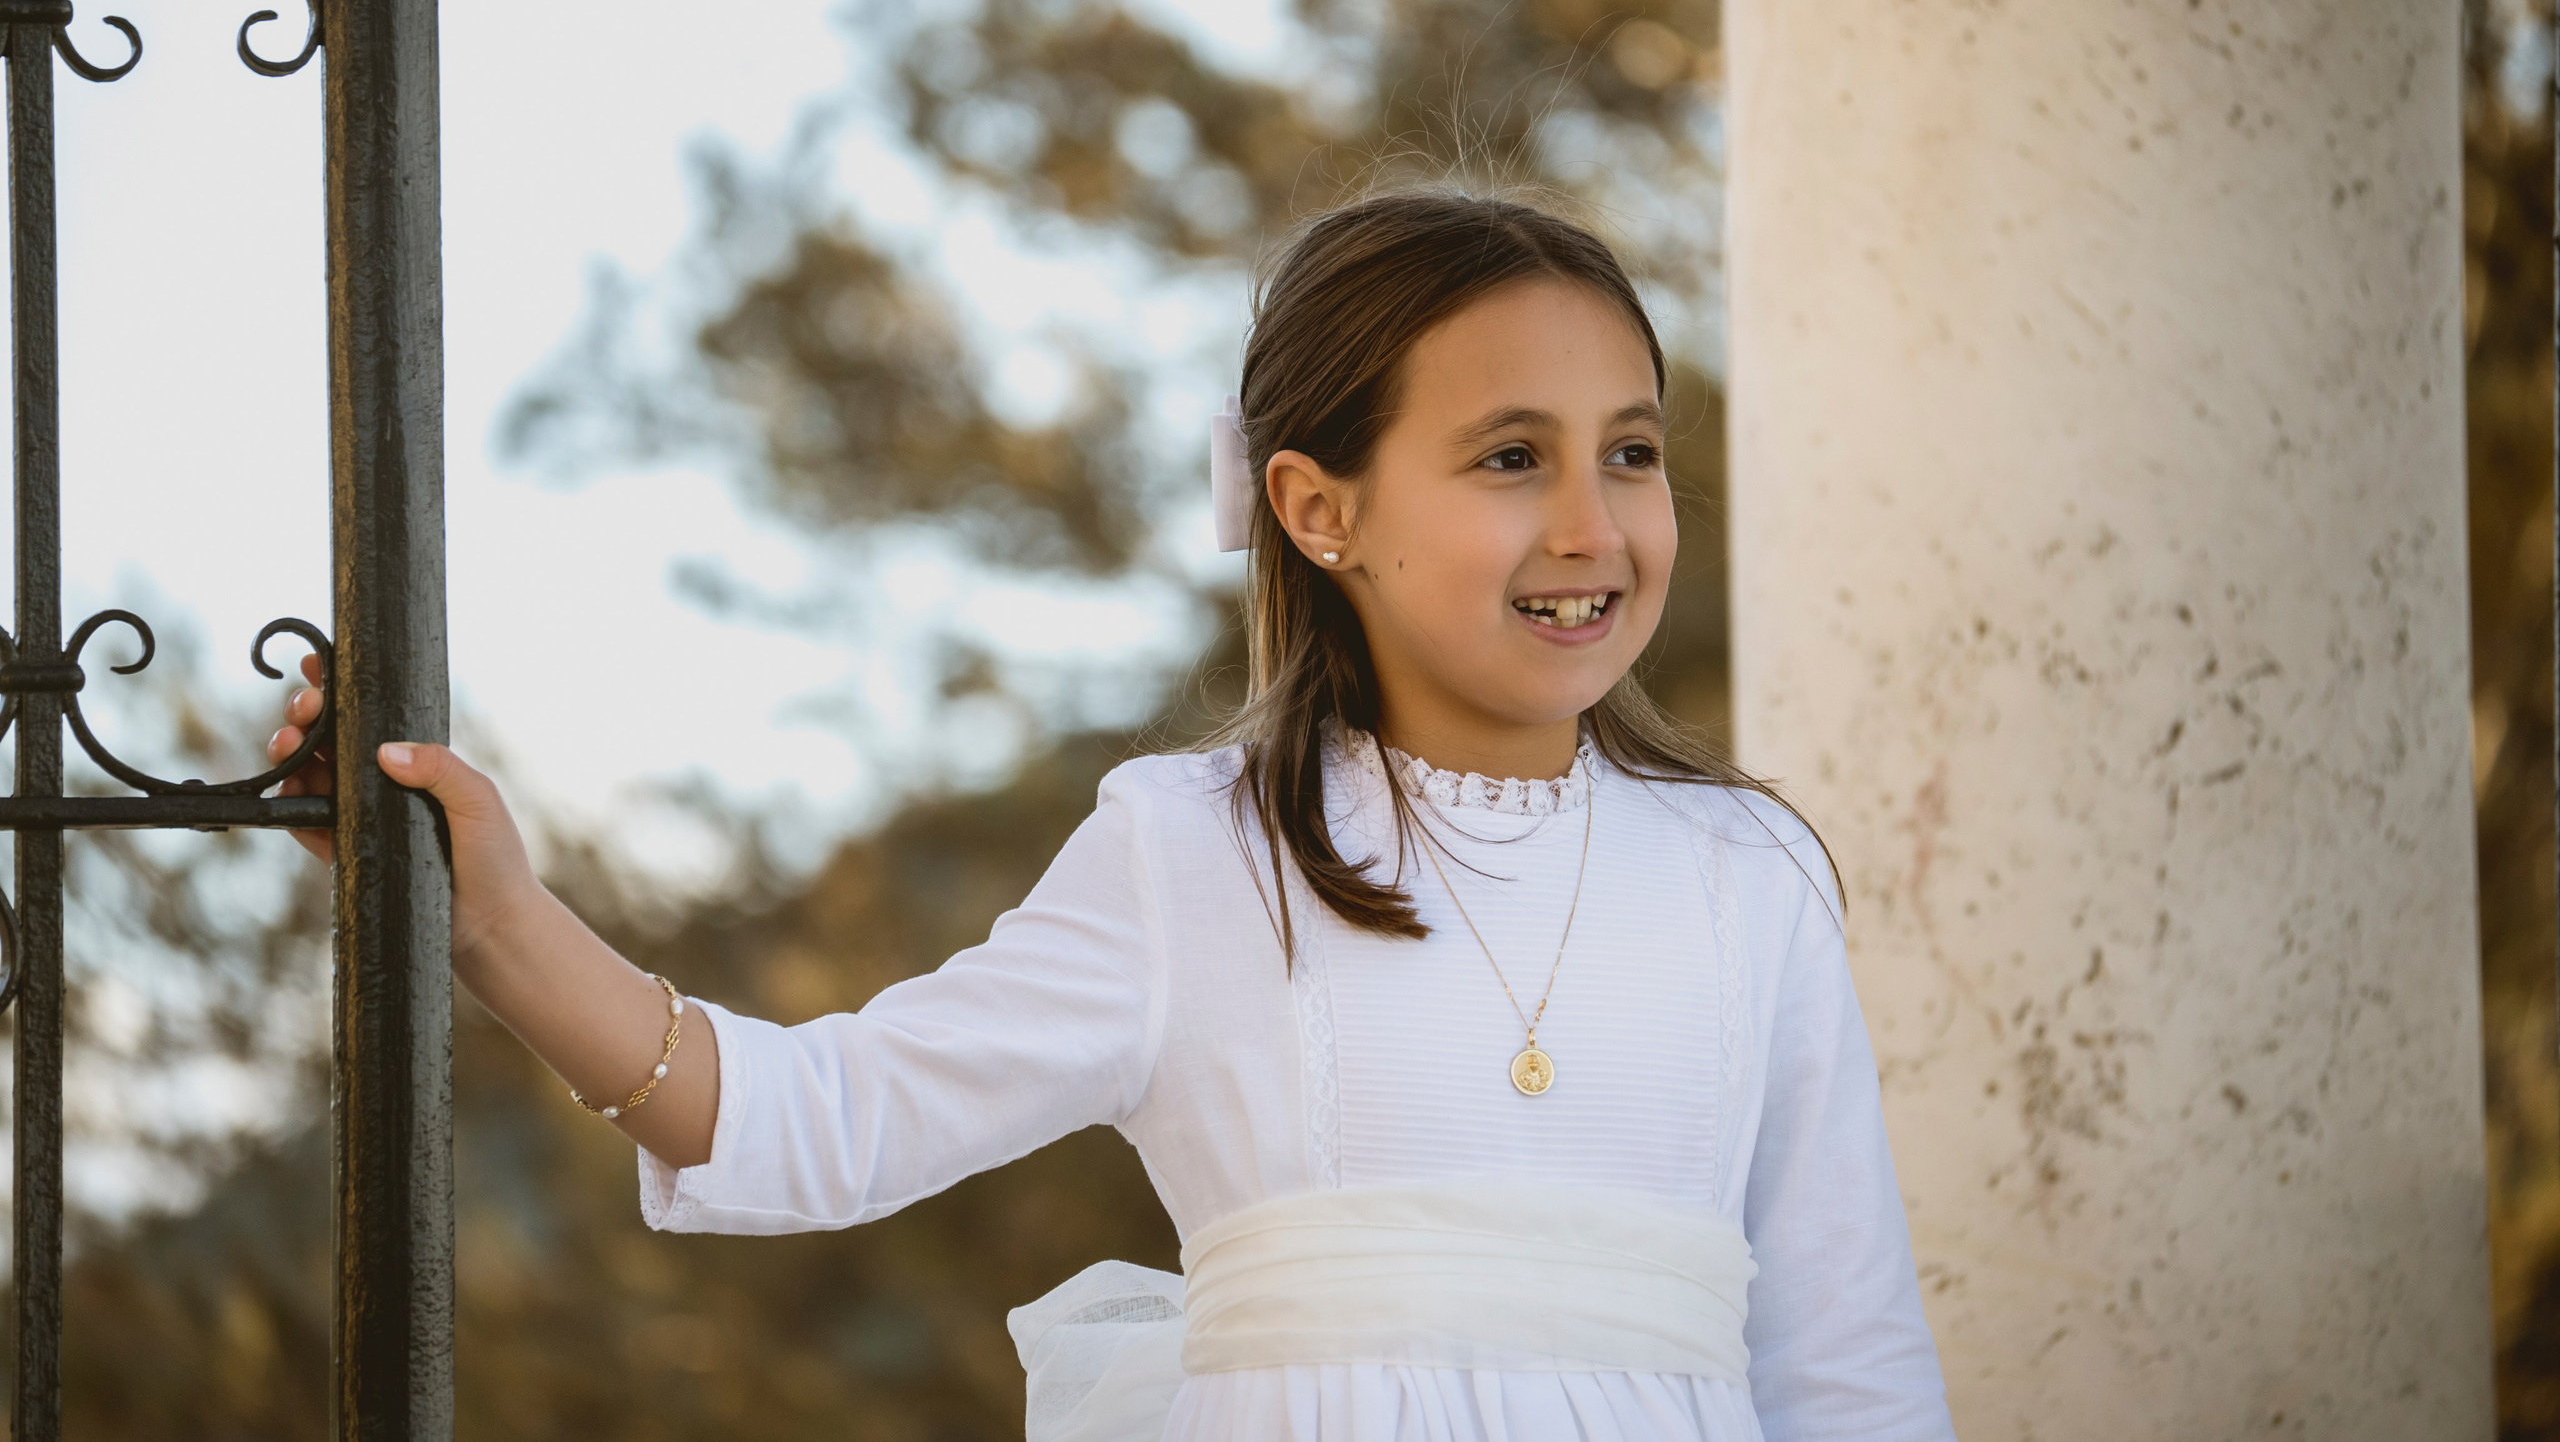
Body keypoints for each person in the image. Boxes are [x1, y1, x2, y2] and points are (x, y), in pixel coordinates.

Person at [269, 188, 1957, 1442]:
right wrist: (496, 924)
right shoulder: (1195, 851)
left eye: (1632, 453)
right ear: (1318, 508)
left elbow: (1852, 1361)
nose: (1593, 524)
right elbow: (815, 1119)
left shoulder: (1750, 876)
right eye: (1511, 458)